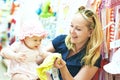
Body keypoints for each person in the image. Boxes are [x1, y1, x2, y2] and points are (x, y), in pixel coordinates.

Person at [46, 6, 103, 80]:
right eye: (71, 26)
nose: (72, 31)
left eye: (78, 29)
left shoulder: (93, 57)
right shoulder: (61, 40)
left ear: (90, 32)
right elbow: (38, 56)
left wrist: (63, 67)